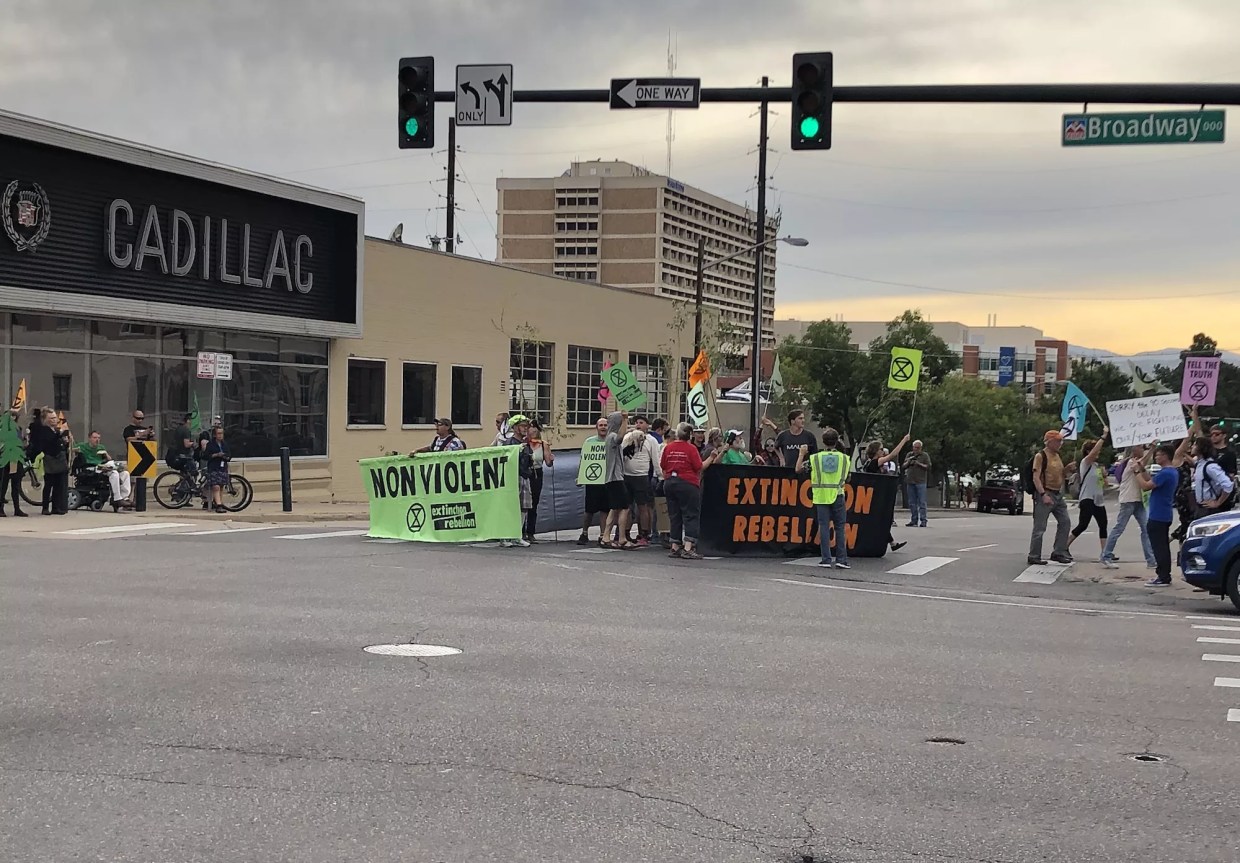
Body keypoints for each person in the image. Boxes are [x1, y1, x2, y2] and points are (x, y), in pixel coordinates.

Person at [1132, 439, 1191, 586]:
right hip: (1163, 513)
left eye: (1158, 455)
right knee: (1162, 545)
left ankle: (1163, 576)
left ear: (1165, 456)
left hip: (1158, 514)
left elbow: (1145, 486)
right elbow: (1152, 482)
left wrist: (1136, 472)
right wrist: (1143, 470)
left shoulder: (1166, 473)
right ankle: (1164, 574)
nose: (1156, 457)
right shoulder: (1170, 472)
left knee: (1159, 547)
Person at [661, 422, 722, 560]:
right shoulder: (691, 449)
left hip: (670, 482)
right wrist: (712, 457)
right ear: (690, 435)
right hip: (687, 483)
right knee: (691, 515)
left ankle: (675, 546)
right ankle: (688, 547)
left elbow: (663, 465)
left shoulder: (668, 448)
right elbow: (699, 467)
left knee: (674, 515)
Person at [797, 428, 851, 570]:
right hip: (838, 495)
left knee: (824, 527)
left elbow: (798, 469)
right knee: (840, 527)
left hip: (821, 496)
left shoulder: (815, 458)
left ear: (823, 441)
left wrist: (802, 454)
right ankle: (841, 559)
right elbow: (848, 477)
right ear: (836, 441)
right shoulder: (844, 458)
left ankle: (826, 559)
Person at [1100, 442, 1157, 570]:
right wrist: (1152, 449)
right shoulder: (1131, 462)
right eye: (1141, 447)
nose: (1143, 449)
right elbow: (1142, 463)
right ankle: (1106, 556)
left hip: (1137, 500)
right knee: (1119, 528)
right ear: (1134, 449)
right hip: (1128, 500)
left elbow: (1144, 471)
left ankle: (1151, 560)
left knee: (1146, 528)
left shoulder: (1135, 462)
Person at [1028, 429, 1073, 565]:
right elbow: (1036, 477)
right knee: (1040, 527)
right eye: (1058, 441)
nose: (1060, 443)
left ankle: (1058, 552)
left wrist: (1067, 469)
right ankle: (1034, 555)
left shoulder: (1057, 456)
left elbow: (1060, 474)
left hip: (1058, 494)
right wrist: (1042, 494)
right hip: (1046, 493)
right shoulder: (1041, 456)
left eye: (1061, 440)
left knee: (1065, 522)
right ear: (1049, 442)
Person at [1067, 430, 1110, 559]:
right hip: (1087, 498)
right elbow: (1093, 452)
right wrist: (1103, 437)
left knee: (1103, 524)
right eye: (1094, 450)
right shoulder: (1085, 463)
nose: (1098, 453)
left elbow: (1104, 484)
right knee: (1083, 525)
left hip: (1098, 499)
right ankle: (1064, 546)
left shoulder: (1097, 466)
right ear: (1088, 451)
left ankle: (1105, 553)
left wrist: (1104, 476)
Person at [861, 438, 909, 552]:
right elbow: (893, 454)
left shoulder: (867, 462)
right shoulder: (875, 462)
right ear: (876, 451)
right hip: (875, 496)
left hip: (871, 495)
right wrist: (904, 440)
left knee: (879, 521)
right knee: (880, 521)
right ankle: (890, 543)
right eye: (881, 449)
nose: (883, 451)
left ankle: (892, 543)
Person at [621, 424, 661, 547]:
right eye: (636, 422)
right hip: (627, 476)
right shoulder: (628, 437)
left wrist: (659, 475)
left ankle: (644, 534)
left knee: (643, 506)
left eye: (641, 422)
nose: (638, 425)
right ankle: (625, 533)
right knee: (626, 507)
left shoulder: (651, 440)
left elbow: (655, 459)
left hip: (642, 477)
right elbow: (621, 455)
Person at [74, 430, 133, 510]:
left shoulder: (101, 447)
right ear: (89, 438)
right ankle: (117, 498)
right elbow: (72, 448)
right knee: (114, 473)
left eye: (98, 438)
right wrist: (76, 451)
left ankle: (124, 497)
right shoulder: (83, 446)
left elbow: (109, 459)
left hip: (103, 466)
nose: (97, 440)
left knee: (125, 473)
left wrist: (105, 454)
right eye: (95, 438)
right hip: (90, 467)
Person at [601, 411, 634, 549]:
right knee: (624, 508)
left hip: (612, 479)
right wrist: (625, 419)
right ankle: (621, 538)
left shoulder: (609, 437)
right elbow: (620, 437)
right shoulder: (613, 437)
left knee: (614, 509)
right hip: (615, 478)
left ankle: (606, 537)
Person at [28, 407, 70, 515]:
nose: (54, 420)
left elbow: (59, 443)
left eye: (55, 418)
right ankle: (45, 507)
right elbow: (48, 442)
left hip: (59, 458)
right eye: (51, 418)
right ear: (46, 419)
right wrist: (59, 434)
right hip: (50, 458)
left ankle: (56, 507)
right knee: (49, 485)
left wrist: (65, 441)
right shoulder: (44, 430)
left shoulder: (55, 430)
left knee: (58, 485)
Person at [501, 415, 534, 548]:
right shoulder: (509, 442)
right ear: (514, 427)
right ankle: (505, 536)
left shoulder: (526, 443)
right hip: (513, 477)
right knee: (510, 506)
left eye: (526, 426)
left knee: (524, 506)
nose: (525, 428)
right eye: (522, 426)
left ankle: (517, 535)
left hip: (524, 476)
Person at [577, 417, 611, 546]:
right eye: (601, 425)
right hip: (592, 480)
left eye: (605, 425)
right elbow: (584, 461)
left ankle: (603, 535)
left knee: (605, 509)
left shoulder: (611, 441)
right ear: (596, 427)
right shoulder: (589, 442)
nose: (603, 427)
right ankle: (584, 533)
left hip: (607, 480)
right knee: (589, 510)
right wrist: (580, 477)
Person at [1188, 436, 1236, 520]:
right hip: (1200, 508)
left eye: (1195, 445)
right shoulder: (1200, 464)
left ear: (1201, 448)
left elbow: (1228, 484)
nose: (1192, 446)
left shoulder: (1210, 467)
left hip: (1209, 510)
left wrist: (1218, 502)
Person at [525, 419, 554, 543]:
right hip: (525, 473)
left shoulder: (543, 444)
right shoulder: (524, 443)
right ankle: (520, 531)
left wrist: (551, 459)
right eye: (531, 427)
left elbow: (548, 463)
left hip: (537, 474)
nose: (533, 430)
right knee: (522, 503)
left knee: (533, 504)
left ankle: (530, 532)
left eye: (535, 427)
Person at [0, 407, 28, 517]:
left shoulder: (18, 429)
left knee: (16, 485)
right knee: (3, 485)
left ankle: (17, 508)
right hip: (4, 459)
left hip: (15, 459)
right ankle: (1, 508)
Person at [903, 440, 932, 527]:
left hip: (920, 481)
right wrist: (909, 462)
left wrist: (918, 463)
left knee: (922, 502)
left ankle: (923, 520)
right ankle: (914, 520)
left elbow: (928, 466)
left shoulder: (924, 455)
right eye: (915, 447)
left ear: (921, 448)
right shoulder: (909, 455)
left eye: (918, 448)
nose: (916, 449)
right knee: (912, 502)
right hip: (910, 481)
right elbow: (903, 466)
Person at [203, 425, 232, 514]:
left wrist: (225, 456)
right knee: (216, 486)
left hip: (222, 466)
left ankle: (219, 502)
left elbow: (229, 454)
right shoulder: (211, 444)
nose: (220, 435)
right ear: (215, 435)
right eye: (218, 433)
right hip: (213, 466)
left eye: (221, 433)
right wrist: (215, 455)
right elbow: (205, 456)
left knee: (221, 486)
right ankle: (218, 505)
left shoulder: (224, 444)